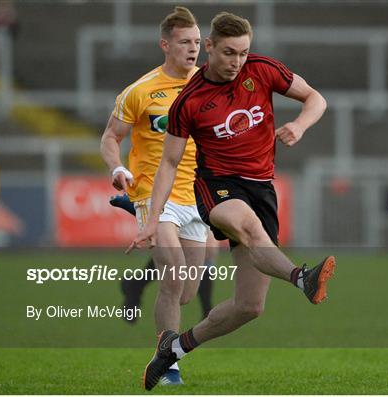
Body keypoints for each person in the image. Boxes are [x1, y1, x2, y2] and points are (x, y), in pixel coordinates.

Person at [127, 11, 335, 391]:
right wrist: (152, 219)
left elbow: (315, 98)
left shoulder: (263, 70)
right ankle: (302, 277)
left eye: (242, 53)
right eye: (228, 53)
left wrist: (300, 125)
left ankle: (175, 348)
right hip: (217, 187)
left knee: (249, 307)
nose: (236, 62)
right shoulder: (189, 100)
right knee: (248, 224)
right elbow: (170, 163)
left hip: (262, 187)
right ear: (209, 47)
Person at [100, 6, 208, 386]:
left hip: (198, 196)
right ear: (166, 44)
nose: (193, 49)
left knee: (186, 292)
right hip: (153, 194)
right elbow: (111, 137)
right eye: (185, 42)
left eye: (197, 42)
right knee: (173, 278)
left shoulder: (210, 84)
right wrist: (117, 168)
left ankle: (156, 310)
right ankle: (168, 365)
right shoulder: (140, 91)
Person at [110, 193, 217, 321]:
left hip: (201, 186)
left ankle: (135, 284)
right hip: (177, 191)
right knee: (174, 251)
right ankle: (207, 310)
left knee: (206, 251)